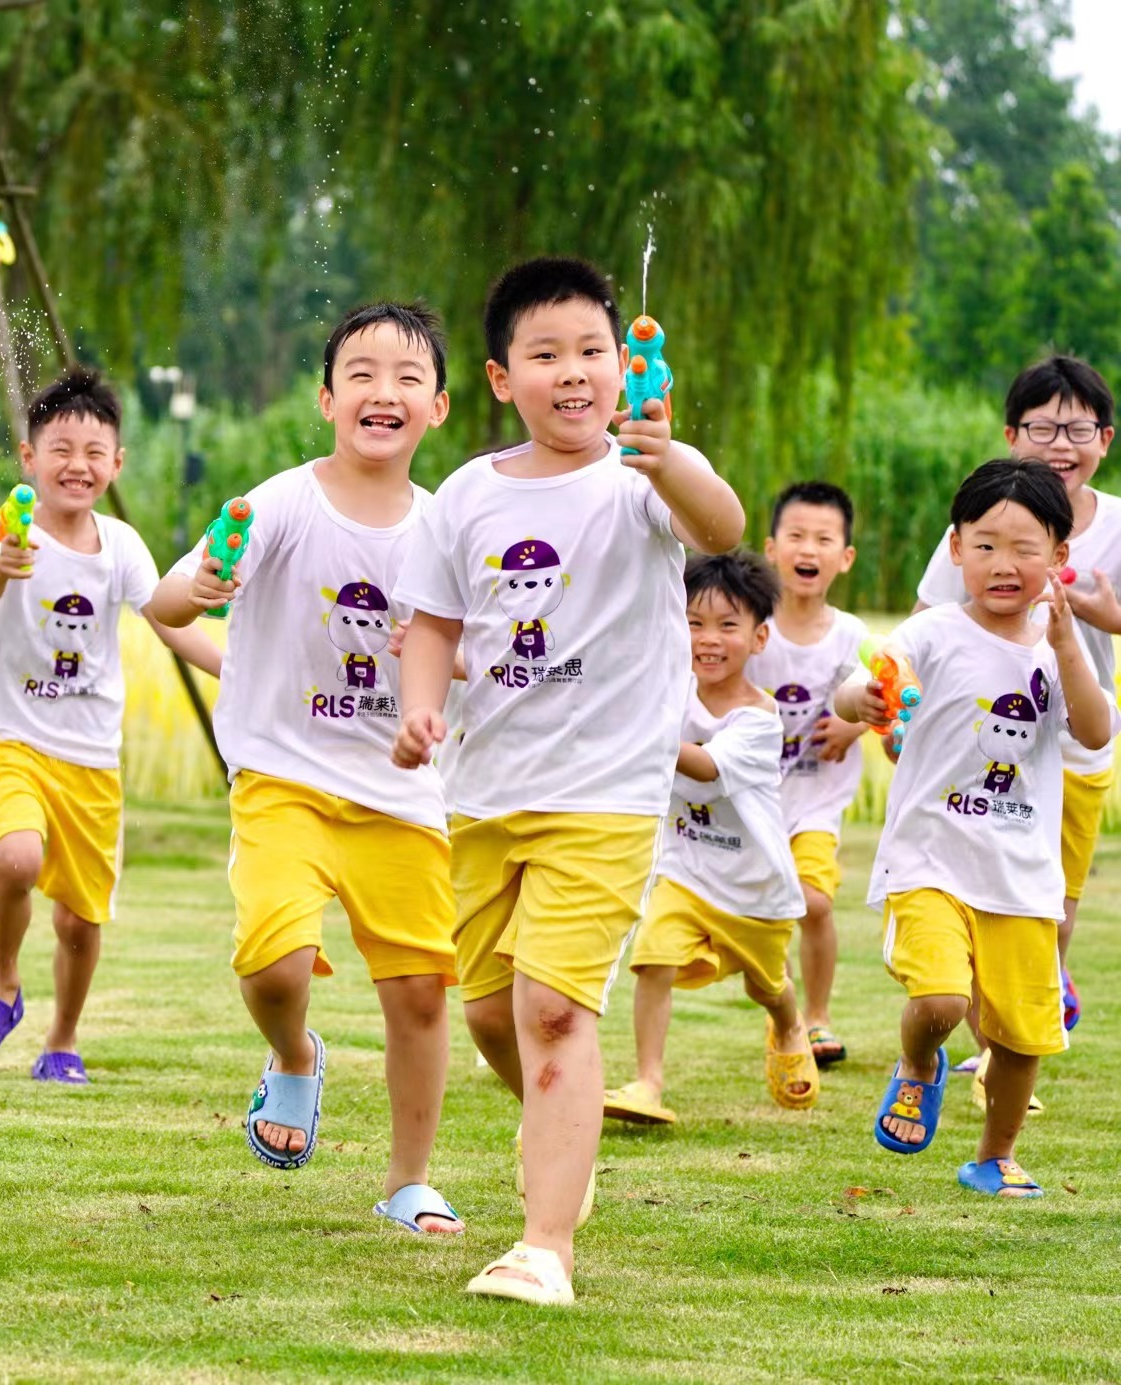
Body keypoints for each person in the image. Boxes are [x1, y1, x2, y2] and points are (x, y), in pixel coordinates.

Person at [392, 257, 743, 1305]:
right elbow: (434, 622)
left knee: (551, 1007)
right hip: (486, 792)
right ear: (503, 378)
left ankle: (544, 1247)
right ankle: (563, 1131)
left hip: (605, 793)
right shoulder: (465, 495)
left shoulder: (643, 478)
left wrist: (669, 458)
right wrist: (420, 706)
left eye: (592, 349)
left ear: (622, 366)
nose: (574, 371)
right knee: (491, 1015)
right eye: (546, 354)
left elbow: (721, 529)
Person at [154, 302, 468, 1242]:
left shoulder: (447, 527)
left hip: (400, 791)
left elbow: (477, 655)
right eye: (360, 373)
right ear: (327, 400)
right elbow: (166, 603)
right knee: (274, 961)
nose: (383, 390)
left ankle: (409, 1181)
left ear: (439, 407)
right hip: (283, 780)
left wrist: (436, 677)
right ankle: (293, 1052)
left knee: (418, 990)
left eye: (408, 376)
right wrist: (201, 586)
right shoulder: (283, 502)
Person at [837, 458, 1108, 1199]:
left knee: (1021, 1035)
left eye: (1025, 548)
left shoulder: (1057, 651)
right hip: (930, 860)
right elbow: (865, 679)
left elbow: (1095, 730)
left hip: (1021, 877)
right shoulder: (935, 632)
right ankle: (918, 1063)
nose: (1003, 564)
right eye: (985, 545)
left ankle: (995, 1155)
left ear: (1059, 556)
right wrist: (864, 699)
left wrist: (1068, 647)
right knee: (941, 1001)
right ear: (956, 548)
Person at [0, 367, 220, 1082]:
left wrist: (231, 664)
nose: (78, 465)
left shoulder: (121, 545)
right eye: (61, 449)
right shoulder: (11, 530)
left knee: (79, 918)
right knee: (17, 858)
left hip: (91, 755)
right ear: (29, 457)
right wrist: (4, 564)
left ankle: (62, 1039)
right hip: (14, 735)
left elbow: (166, 618)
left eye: (95, 452)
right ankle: (3, 983)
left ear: (117, 463)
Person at [912, 358, 1121, 1069]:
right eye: (1042, 428)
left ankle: (1043, 983)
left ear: (1105, 439)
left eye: (1078, 429)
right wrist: (896, 713)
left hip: (1078, 746)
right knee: (977, 890)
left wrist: (1108, 619)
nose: (1060, 444)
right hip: (982, 743)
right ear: (1011, 435)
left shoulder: (1117, 525)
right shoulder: (983, 523)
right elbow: (923, 621)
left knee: (1053, 900)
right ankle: (987, 1047)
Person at [603, 551, 816, 1125]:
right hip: (685, 870)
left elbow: (703, 767)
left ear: (759, 637)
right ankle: (648, 1082)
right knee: (653, 959)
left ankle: (789, 1023)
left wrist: (638, 730)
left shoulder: (759, 719)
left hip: (755, 888)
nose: (708, 639)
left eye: (727, 625)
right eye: (693, 622)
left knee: (767, 986)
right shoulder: (666, 692)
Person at [748, 482, 869, 1066]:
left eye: (824, 539)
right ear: (772, 549)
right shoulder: (751, 628)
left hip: (818, 795)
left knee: (815, 901)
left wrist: (852, 726)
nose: (809, 549)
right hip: (753, 799)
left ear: (845, 557)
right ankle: (787, 1017)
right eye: (796, 536)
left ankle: (818, 1018)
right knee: (769, 910)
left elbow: (879, 695)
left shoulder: (849, 636)